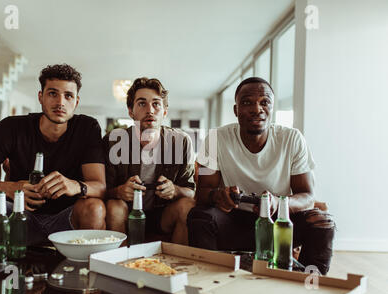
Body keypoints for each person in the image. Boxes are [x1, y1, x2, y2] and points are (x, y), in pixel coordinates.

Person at [0, 64, 106, 263]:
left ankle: (83, 287)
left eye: (68, 96)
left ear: (76, 101)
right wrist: (7, 188)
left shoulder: (87, 127)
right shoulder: (12, 127)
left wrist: (75, 185)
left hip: (66, 219)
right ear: (40, 97)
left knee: (94, 207)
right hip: (17, 215)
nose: (60, 102)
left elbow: (100, 186)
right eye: (53, 93)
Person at [187, 77, 335, 275]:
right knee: (200, 218)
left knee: (322, 223)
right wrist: (219, 195)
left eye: (264, 102)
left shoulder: (292, 139)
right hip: (233, 219)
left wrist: (278, 203)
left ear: (272, 108)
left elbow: (307, 196)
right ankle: (210, 285)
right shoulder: (215, 138)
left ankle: (306, 287)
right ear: (236, 110)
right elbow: (202, 193)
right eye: (247, 102)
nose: (257, 109)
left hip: (278, 220)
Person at [104, 77, 195, 245]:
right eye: (142, 104)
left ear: (165, 111)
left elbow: (191, 192)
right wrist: (119, 191)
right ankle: (119, 266)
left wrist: (175, 190)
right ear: (131, 111)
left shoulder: (181, 141)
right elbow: (102, 190)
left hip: (163, 214)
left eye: (156, 104)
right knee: (114, 207)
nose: (150, 110)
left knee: (187, 205)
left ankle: (174, 267)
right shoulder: (113, 141)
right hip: (127, 214)